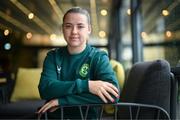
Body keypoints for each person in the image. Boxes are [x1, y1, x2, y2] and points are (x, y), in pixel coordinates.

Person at [38, 7, 120, 119]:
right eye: (68, 26)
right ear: (62, 29)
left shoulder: (98, 57)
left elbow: (112, 95)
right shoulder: (53, 56)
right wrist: (86, 85)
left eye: (80, 26)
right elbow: (45, 89)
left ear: (89, 29)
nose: (74, 32)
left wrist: (62, 101)